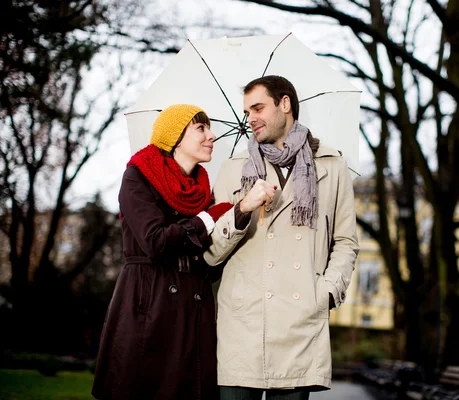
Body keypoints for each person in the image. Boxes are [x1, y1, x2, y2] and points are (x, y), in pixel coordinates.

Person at [92, 104, 270, 399]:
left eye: (209, 128)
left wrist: (237, 216)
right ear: (174, 137)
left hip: (194, 307)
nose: (211, 136)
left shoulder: (201, 189)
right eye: (201, 128)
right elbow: (155, 241)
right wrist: (210, 218)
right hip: (148, 304)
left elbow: (209, 261)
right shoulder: (138, 177)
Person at [204, 76, 360, 399]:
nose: (251, 119)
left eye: (258, 108)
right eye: (247, 112)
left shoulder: (331, 165)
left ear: (285, 104)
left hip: (299, 325)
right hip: (242, 327)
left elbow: (346, 241)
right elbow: (211, 253)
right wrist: (243, 208)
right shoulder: (234, 169)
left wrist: (326, 293)